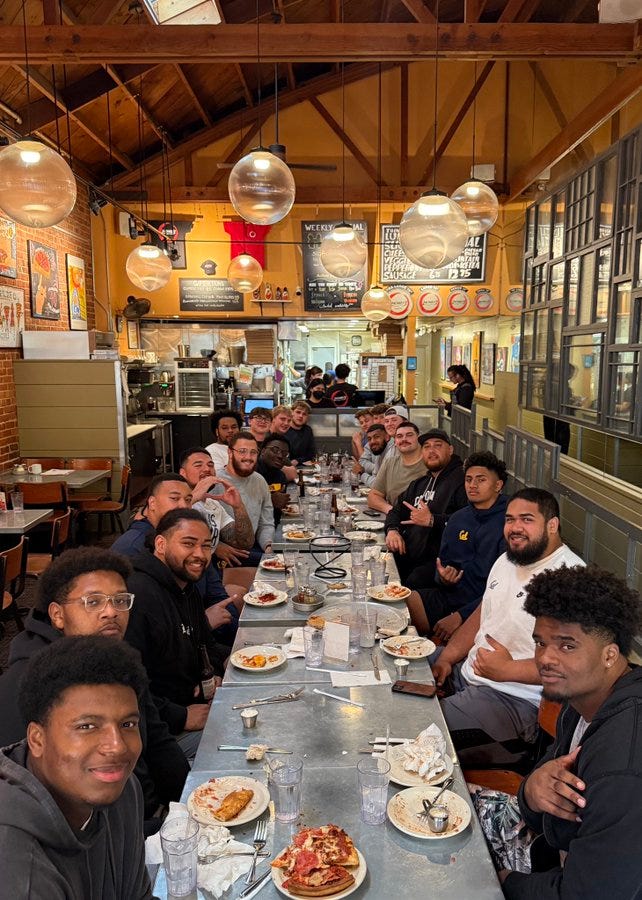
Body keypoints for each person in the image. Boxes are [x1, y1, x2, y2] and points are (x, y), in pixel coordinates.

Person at [0, 548, 189, 827]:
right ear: (58, 615)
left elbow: (159, 740)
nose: (111, 612)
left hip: (149, 814)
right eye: (93, 602)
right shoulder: (31, 686)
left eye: (120, 600)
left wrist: (192, 801)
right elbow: (43, 810)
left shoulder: (114, 660)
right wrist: (155, 828)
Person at [499, 565, 642, 898]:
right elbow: (542, 788)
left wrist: (502, 881)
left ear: (610, 654)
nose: (545, 659)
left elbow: (588, 894)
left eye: (566, 646)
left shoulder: (624, 766)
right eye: (540, 642)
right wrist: (531, 792)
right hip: (558, 856)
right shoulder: (579, 701)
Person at [432, 488, 584, 768]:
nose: (514, 528)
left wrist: (506, 670)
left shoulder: (570, 578)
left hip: (513, 701)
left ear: (552, 525)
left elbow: (575, 664)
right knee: (392, 670)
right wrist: (447, 656)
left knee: (419, 734)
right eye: (509, 519)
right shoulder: (507, 560)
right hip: (468, 673)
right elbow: (483, 615)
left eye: (526, 519)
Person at [0, 635, 153, 899]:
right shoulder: (17, 871)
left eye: (127, 724)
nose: (117, 747)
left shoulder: (122, 789)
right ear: (37, 739)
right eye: (87, 727)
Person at [125, 509, 229, 758]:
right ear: (160, 544)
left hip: (194, 704)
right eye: (188, 544)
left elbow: (207, 644)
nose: (199, 554)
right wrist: (180, 716)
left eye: (206, 546)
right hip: (160, 734)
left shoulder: (186, 585)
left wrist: (215, 670)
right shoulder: (136, 598)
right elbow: (127, 689)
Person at [111, 473, 238, 632]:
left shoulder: (195, 541)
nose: (183, 506)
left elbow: (216, 593)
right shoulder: (133, 549)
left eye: (188, 500)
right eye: (174, 498)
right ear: (152, 503)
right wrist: (202, 624)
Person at [404, 451, 507, 639]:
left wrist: (461, 616)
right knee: (402, 603)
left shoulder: (510, 522)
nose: (472, 485)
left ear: (498, 485)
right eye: (468, 480)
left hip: (487, 606)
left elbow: (506, 590)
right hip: (452, 596)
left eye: (481, 480)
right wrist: (443, 578)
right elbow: (442, 566)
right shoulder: (458, 519)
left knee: (436, 642)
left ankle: (442, 650)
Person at [385, 428, 467, 586]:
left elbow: (467, 523)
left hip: (439, 563)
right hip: (408, 555)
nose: (432, 451)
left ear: (450, 450)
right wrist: (392, 530)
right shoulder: (420, 483)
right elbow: (395, 511)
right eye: (427, 447)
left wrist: (432, 520)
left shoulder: (462, 481)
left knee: (412, 581)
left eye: (438, 445)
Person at [178, 446, 255, 594]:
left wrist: (238, 506)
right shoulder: (177, 501)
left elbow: (244, 542)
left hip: (209, 572)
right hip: (186, 577)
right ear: (183, 473)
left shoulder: (213, 504)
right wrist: (195, 496)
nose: (207, 469)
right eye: (198, 465)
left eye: (210, 465)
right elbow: (169, 522)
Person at [211, 430, 276, 567]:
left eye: (253, 452)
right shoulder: (215, 483)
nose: (248, 457)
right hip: (223, 554)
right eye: (242, 451)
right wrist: (216, 547)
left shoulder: (259, 481)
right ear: (230, 452)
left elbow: (266, 523)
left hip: (253, 549)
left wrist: (268, 546)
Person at [367, 421, 427, 514]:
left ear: (418, 438)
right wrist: (393, 512)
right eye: (399, 436)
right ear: (395, 442)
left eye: (409, 435)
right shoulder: (390, 462)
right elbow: (373, 496)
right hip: (394, 521)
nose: (404, 439)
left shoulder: (430, 463)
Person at [256, 434, 291, 524]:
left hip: (270, 525)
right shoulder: (252, 472)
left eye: (284, 454)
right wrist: (270, 500)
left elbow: (277, 511)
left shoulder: (280, 476)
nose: (280, 456)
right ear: (263, 451)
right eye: (275, 450)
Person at [286, 400, 316, 465]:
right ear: (292, 413)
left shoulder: (308, 430)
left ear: (307, 417)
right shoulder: (284, 428)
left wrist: (297, 460)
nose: (301, 416)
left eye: (304, 414)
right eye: (298, 412)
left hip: (303, 468)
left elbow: (311, 454)